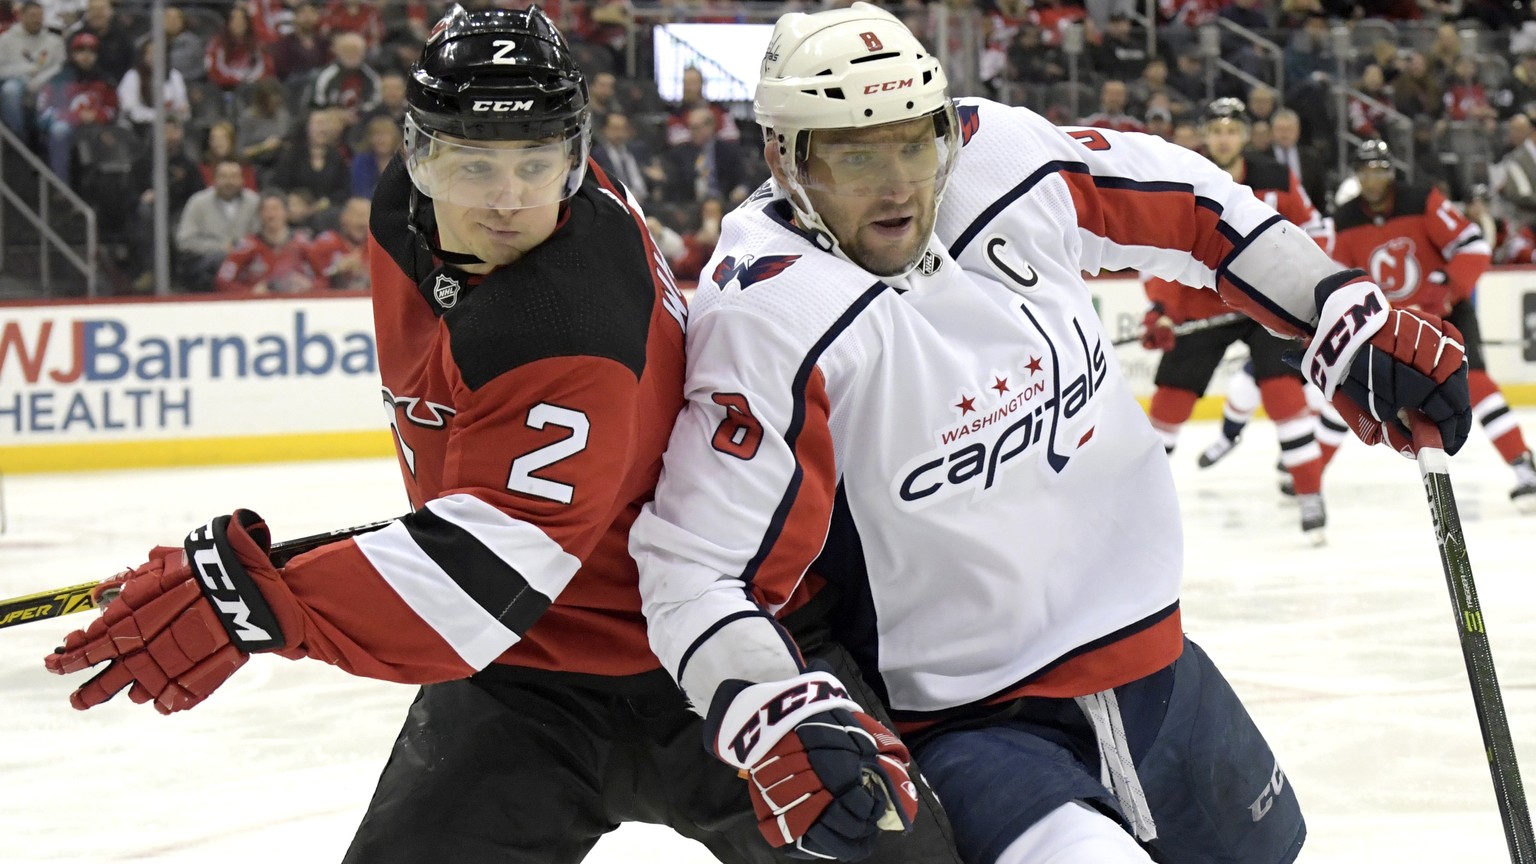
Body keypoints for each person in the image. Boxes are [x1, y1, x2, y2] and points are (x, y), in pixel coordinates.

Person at [42, 7, 962, 864]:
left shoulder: (575, 322)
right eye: (471, 164)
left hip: (718, 658)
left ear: (578, 157)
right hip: (526, 684)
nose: (507, 200)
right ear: (412, 156)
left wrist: (255, 605)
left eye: (536, 163)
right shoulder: (403, 214)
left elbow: (475, 584)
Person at [629, 5, 1473, 864]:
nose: (897, 186)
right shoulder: (770, 313)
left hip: (1157, 667)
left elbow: (1192, 202)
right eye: (856, 154)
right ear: (784, 155)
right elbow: (692, 566)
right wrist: (770, 710)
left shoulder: (1000, 156)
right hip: (973, 720)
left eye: (913, 145)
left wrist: (1333, 306)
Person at [1139, 97, 1334, 541]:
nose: (1224, 137)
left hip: (1264, 301)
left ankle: (1309, 493)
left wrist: (1311, 289)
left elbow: (1316, 231)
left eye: (1232, 130)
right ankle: (1138, 501)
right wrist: (1161, 309)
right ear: (1206, 136)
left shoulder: (1277, 178)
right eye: (1216, 130)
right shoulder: (1183, 174)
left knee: (1284, 392)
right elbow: (1155, 249)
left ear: (1245, 135)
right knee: (1171, 399)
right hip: (1202, 299)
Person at [1332, 139, 1536, 508]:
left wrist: (1445, 288)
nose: (1373, 178)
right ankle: (1298, 470)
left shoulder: (1420, 199)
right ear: (1357, 176)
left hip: (1446, 318)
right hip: (1393, 329)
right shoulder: (1345, 220)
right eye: (1366, 171)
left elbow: (1473, 246)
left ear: (1390, 172)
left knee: (1476, 384)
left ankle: (1524, 465)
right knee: (1351, 393)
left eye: (1379, 170)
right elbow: (1342, 278)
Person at [174, 157, 260, 291]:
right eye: (224, 177)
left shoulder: (254, 202)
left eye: (234, 177)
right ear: (214, 179)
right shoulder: (198, 202)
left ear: (242, 180)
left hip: (246, 261)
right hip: (208, 263)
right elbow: (185, 240)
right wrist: (219, 247)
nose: (229, 182)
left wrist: (241, 250)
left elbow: (260, 235)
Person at [214, 191, 317, 293]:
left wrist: (310, 286)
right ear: (259, 214)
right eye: (266, 210)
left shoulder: (302, 244)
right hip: (258, 305)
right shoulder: (247, 246)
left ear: (286, 212)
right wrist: (250, 292)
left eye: (275, 209)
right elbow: (223, 280)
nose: (271, 215)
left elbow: (324, 278)